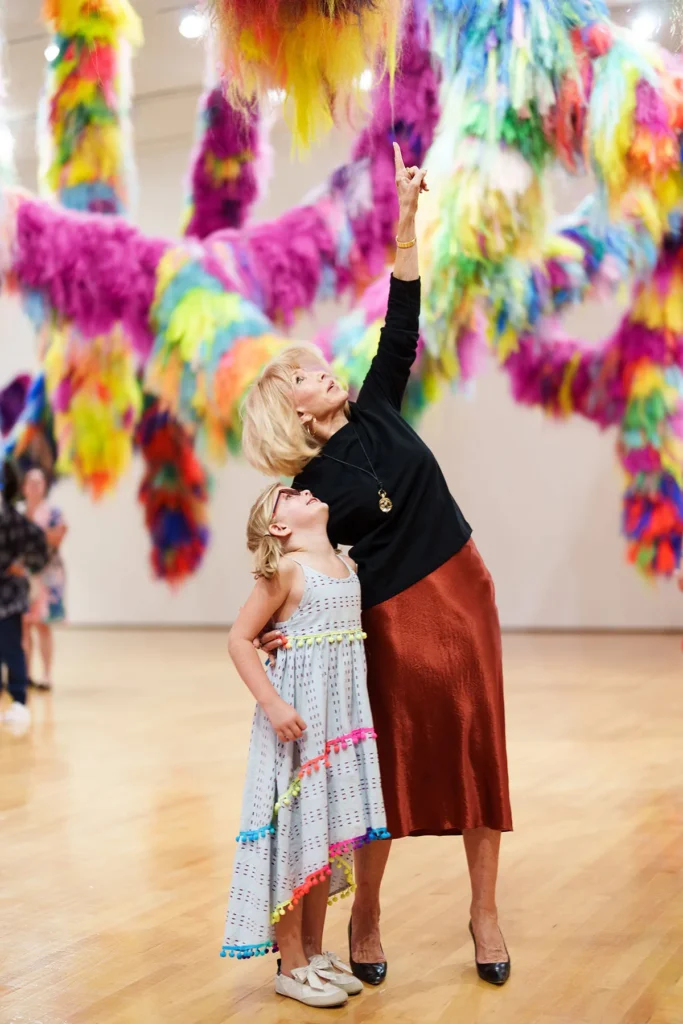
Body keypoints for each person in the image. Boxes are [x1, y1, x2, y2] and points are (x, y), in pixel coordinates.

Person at [241, 143, 512, 986]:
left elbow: (404, 305)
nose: (324, 370)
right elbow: (284, 571)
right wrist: (278, 636)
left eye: (319, 365)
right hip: (388, 615)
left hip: (462, 586)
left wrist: (404, 218)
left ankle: (483, 910)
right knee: (383, 764)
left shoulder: (380, 403)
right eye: (306, 372)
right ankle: (365, 912)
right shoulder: (305, 489)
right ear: (291, 402)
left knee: (479, 749)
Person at [223, 482, 389, 1008]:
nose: (307, 489)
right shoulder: (288, 571)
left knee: (319, 836)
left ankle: (314, 951)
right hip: (296, 726)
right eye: (289, 495)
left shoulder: (347, 566)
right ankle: (289, 961)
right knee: (295, 837)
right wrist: (273, 704)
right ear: (279, 528)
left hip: (336, 728)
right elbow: (238, 638)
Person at [0, 460, 49, 732]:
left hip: (7, 597)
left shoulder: (13, 520)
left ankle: (19, 699)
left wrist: (26, 567)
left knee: (11, 647)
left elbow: (38, 546)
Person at [21, 468, 67, 691]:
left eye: (38, 483)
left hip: (46, 575)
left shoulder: (53, 512)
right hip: (22, 576)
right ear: (23, 487)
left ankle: (47, 674)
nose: (34, 487)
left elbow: (58, 536)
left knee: (43, 625)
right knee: (23, 625)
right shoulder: (18, 512)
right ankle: (25, 673)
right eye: (31, 483)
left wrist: (34, 533)